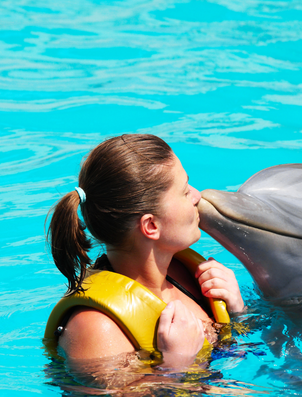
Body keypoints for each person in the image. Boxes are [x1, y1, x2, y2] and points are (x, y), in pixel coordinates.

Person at [46, 134, 244, 380]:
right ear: (151, 226)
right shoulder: (96, 328)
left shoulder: (186, 274)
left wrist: (238, 310)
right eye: (184, 191)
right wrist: (177, 364)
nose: (197, 196)